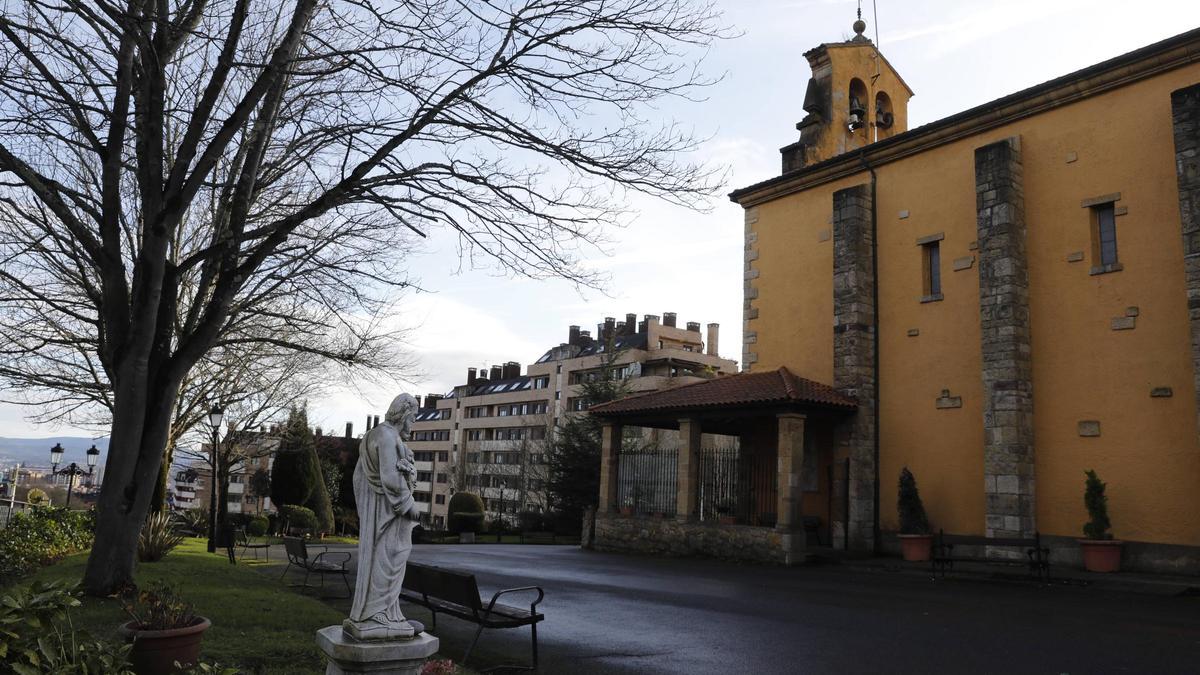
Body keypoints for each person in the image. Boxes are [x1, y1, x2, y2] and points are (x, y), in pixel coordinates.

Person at [344, 393, 421, 641]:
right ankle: (379, 613)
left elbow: (359, 478)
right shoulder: (388, 437)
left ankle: (383, 611)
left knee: (381, 559)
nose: (414, 424)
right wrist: (410, 505)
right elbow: (390, 478)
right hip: (388, 517)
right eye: (415, 418)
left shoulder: (373, 435)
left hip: (378, 513)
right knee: (390, 559)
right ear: (405, 414)